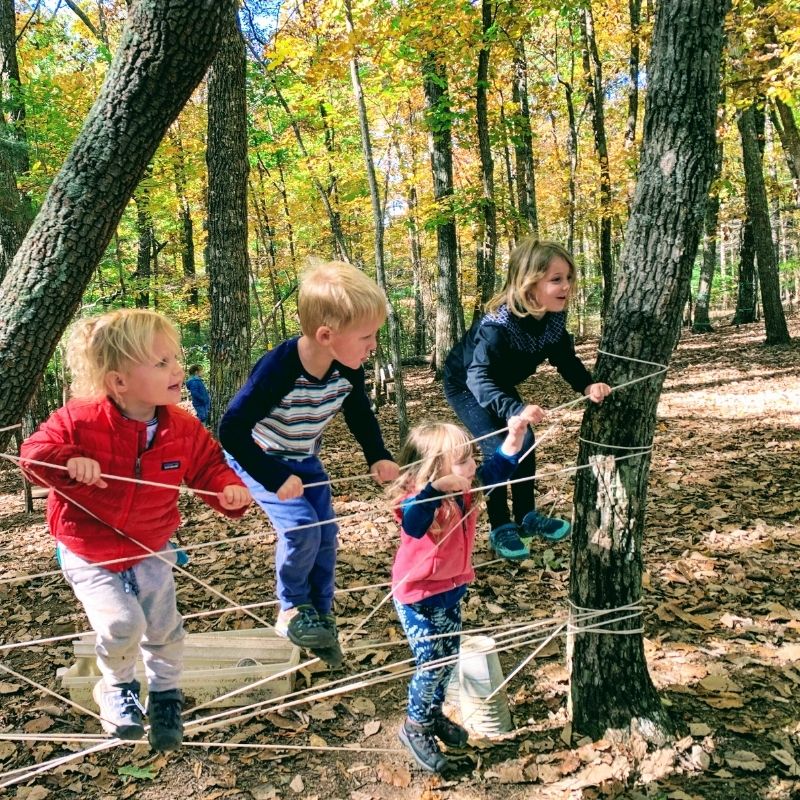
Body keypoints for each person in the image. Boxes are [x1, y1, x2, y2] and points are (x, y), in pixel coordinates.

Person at [20, 310, 251, 751]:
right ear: (118, 382)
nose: (177, 370)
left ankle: (165, 695)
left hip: (151, 542)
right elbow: (33, 454)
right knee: (123, 623)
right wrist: (68, 458)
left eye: (175, 359)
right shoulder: (79, 420)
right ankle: (117, 688)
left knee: (163, 626)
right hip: (88, 546)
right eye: (161, 363)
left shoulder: (181, 426)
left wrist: (228, 490)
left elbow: (207, 466)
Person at [219, 261, 399, 668]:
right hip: (259, 456)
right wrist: (273, 476)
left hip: (303, 459)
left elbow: (360, 414)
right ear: (326, 335)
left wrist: (378, 455)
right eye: (366, 337)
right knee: (301, 528)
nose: (373, 346)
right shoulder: (279, 368)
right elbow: (231, 429)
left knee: (326, 534)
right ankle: (292, 610)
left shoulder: (347, 368)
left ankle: (320, 612)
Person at [443, 238, 611, 561]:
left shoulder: (552, 317)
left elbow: (565, 358)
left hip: (497, 382)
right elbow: (478, 377)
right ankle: (500, 525)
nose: (566, 287)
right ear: (529, 284)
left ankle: (526, 516)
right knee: (502, 445)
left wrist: (588, 386)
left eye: (569, 278)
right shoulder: (498, 325)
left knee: (526, 440)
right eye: (556, 279)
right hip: (466, 383)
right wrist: (514, 411)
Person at [390, 416, 527, 773]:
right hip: (417, 598)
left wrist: (515, 437)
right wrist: (434, 490)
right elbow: (414, 523)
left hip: (450, 593)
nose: (473, 465)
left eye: (470, 458)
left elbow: (497, 469)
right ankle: (415, 726)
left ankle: (433, 717)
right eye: (463, 460)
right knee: (430, 665)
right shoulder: (416, 500)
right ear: (435, 468)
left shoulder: (467, 490)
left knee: (447, 660)